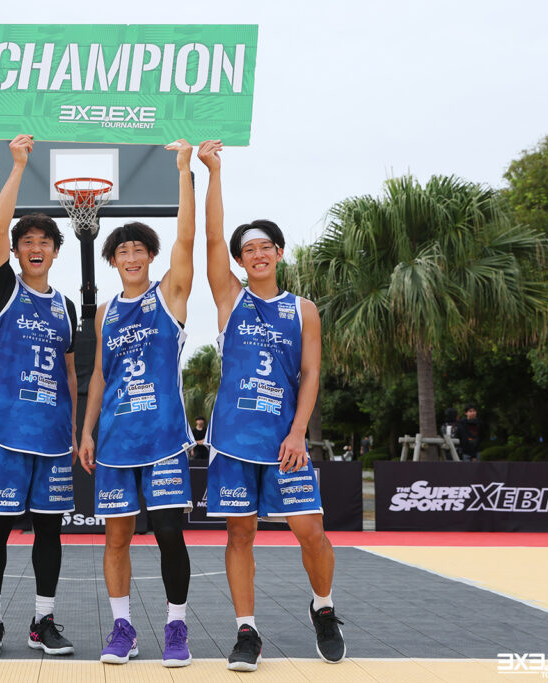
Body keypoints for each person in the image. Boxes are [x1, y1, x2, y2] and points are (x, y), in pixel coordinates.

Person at [198, 140, 346, 671]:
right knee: (241, 533)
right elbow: (212, 236)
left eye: (266, 247)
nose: (257, 254)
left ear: (279, 253)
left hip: (285, 440)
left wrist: (299, 431)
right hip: (234, 440)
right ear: (240, 261)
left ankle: (323, 607)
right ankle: (247, 631)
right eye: (248, 250)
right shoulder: (229, 298)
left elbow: (311, 374)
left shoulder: (303, 310)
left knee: (311, 531)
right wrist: (213, 172)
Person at [78, 139, 196, 669]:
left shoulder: (168, 295)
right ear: (112, 261)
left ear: (150, 256)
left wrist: (183, 171)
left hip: (164, 437)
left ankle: (176, 627)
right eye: (122, 252)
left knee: (168, 533)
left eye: (138, 250)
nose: (130, 257)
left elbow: (186, 239)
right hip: (116, 441)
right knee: (117, 537)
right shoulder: (105, 313)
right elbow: (100, 375)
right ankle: (123, 627)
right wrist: (87, 431)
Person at [0, 135, 79, 659]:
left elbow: (71, 375)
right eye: (27, 241)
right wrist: (17, 166)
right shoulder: (3, 290)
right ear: (16, 252)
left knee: (49, 533)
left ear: (56, 251)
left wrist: (76, 430)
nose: (36, 247)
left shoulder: (66, 307)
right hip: (7, 433)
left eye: (45, 241)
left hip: (53, 439)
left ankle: (43, 620)